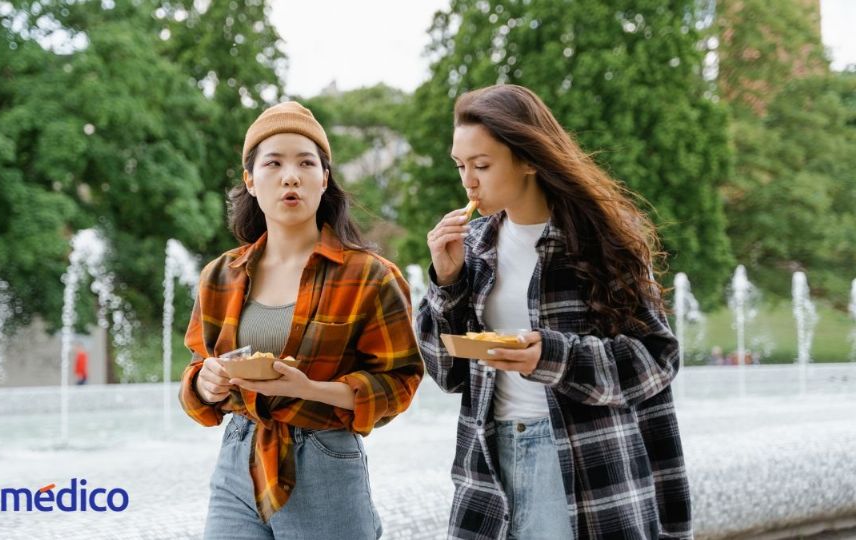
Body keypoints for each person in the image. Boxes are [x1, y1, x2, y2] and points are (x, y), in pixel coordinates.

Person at [416, 84, 691, 539]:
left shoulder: (601, 243)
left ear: (528, 160)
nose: (468, 181)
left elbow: (657, 360)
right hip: (487, 463)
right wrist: (446, 283)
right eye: (461, 165)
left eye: (482, 165)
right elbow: (446, 374)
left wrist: (551, 356)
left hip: (577, 460)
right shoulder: (473, 248)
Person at [179, 101, 424, 539]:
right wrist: (205, 382)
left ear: (324, 179)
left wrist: (307, 389)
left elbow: (400, 383)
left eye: (305, 163)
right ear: (251, 180)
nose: (290, 175)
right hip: (239, 454)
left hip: (324, 460)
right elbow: (198, 371)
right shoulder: (221, 275)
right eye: (273, 163)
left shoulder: (370, 276)